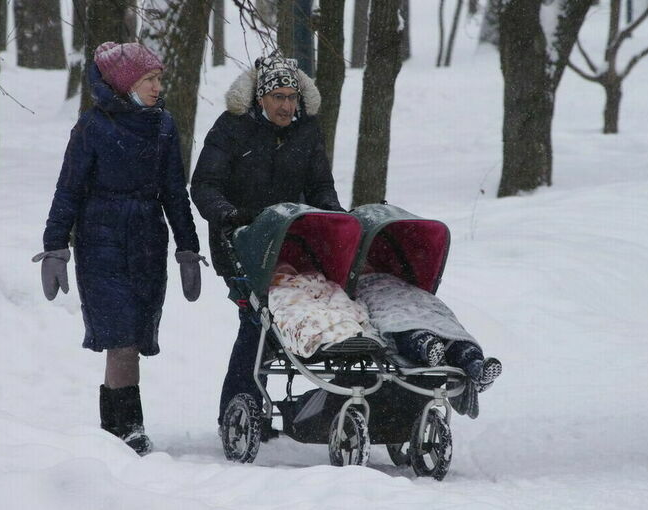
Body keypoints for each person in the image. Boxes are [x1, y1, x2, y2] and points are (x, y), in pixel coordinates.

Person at [32, 42, 206, 455]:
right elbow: (68, 190)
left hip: (147, 242)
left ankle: (114, 430)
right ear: (127, 82)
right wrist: (56, 245)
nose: (158, 87)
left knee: (136, 336)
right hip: (101, 242)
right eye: (150, 79)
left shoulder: (162, 126)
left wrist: (187, 247)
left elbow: (174, 193)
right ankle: (130, 429)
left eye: (159, 79)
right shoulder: (92, 127)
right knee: (121, 336)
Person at [190, 52, 344, 433]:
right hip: (241, 242)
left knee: (296, 319)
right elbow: (205, 183)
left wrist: (335, 216)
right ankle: (238, 408)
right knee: (256, 323)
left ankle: (322, 403)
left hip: (294, 245)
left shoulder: (306, 131)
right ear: (260, 98)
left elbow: (320, 185)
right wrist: (227, 214)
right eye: (279, 97)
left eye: (292, 98)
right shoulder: (231, 128)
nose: (287, 106)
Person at [356, 271, 502, 398]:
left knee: (443, 330)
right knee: (405, 325)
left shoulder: (394, 279)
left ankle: (474, 364)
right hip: (390, 304)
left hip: (412, 299)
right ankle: (430, 347)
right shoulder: (360, 285)